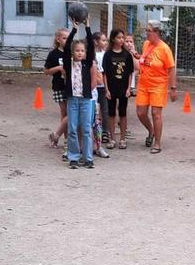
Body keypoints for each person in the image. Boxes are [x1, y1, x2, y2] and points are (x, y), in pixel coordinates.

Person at [135, 20, 178, 154]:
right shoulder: (146, 44)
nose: (146, 33)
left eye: (149, 31)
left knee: (156, 114)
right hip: (143, 83)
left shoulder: (164, 48)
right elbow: (145, 60)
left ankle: (157, 143)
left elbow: (171, 68)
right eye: (146, 30)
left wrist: (173, 88)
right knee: (141, 113)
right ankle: (151, 130)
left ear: (157, 32)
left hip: (158, 85)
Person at [63, 22, 100, 169]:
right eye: (77, 50)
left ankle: (88, 158)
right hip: (73, 100)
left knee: (86, 129)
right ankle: (73, 157)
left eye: (82, 51)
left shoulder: (87, 63)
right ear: (73, 53)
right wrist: (74, 29)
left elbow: (91, 46)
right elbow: (66, 46)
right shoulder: (68, 64)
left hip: (85, 100)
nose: (80, 53)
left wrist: (88, 27)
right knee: (72, 129)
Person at [102, 28, 135, 149]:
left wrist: (128, 88)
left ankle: (122, 139)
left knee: (123, 113)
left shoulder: (127, 55)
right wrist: (106, 89)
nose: (121, 40)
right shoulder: (108, 54)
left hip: (123, 88)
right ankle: (112, 139)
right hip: (111, 88)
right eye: (119, 37)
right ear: (113, 39)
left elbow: (130, 73)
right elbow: (104, 73)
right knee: (111, 114)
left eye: (123, 38)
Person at [43, 28, 69, 148]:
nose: (67, 40)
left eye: (69, 38)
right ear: (58, 39)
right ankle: (66, 138)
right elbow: (46, 71)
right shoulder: (53, 54)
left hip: (72, 86)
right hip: (59, 86)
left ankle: (57, 135)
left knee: (71, 112)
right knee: (64, 112)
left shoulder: (72, 51)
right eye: (64, 38)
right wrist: (58, 68)